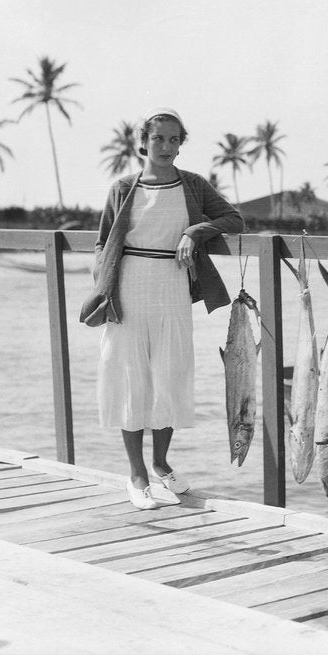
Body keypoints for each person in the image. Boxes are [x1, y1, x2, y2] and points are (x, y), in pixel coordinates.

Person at [87, 108, 244, 510]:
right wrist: (106, 290)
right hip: (129, 286)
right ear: (144, 142)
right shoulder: (124, 187)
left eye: (175, 140)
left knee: (170, 375)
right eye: (159, 139)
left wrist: (195, 231)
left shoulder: (192, 185)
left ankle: (161, 464)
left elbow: (233, 218)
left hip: (174, 284)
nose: (166, 147)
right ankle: (136, 474)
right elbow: (103, 244)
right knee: (129, 377)